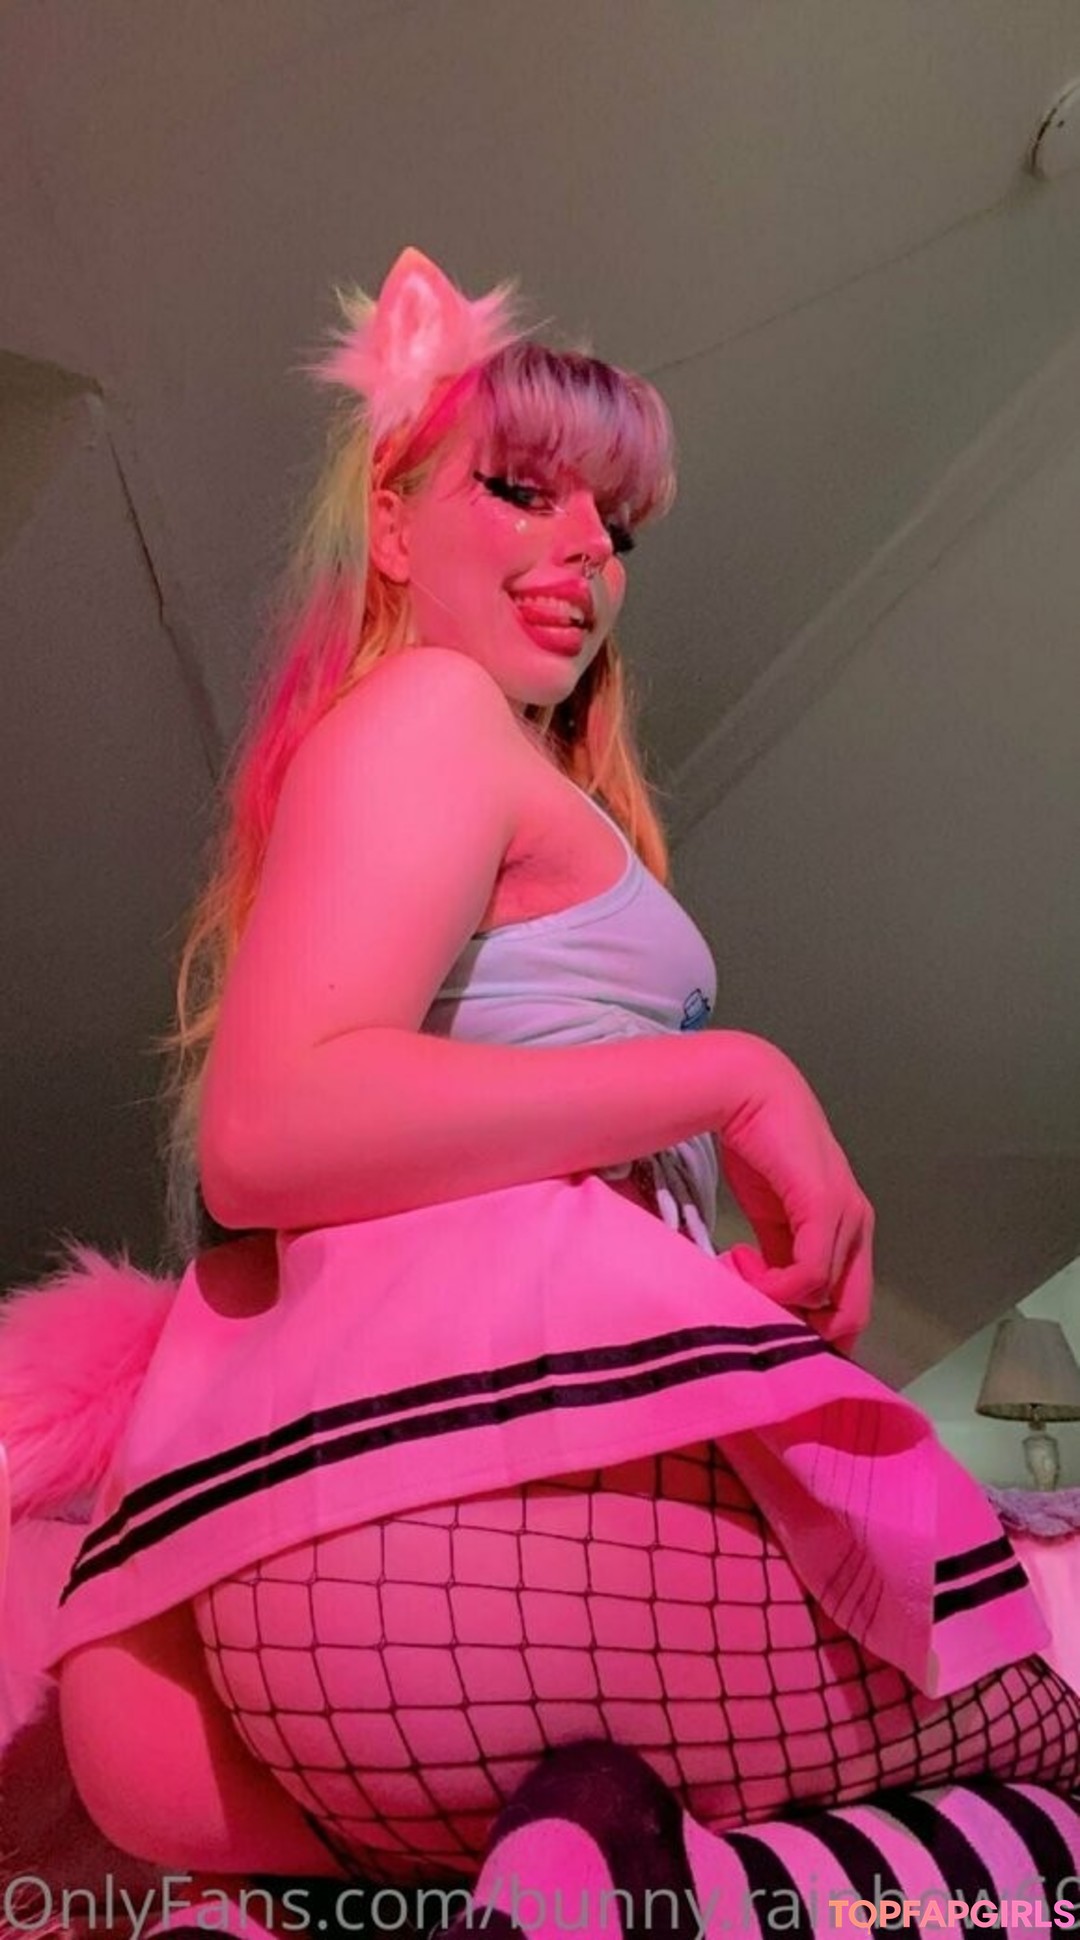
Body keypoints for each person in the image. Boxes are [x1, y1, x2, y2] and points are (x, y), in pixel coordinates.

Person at [7, 249, 1079, 1936]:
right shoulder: (435, 711)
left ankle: (607, 1862)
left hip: (338, 1603)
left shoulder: (443, 761)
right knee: (1059, 1755)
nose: (588, 550)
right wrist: (733, 1074)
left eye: (618, 525)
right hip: (483, 1532)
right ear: (389, 519)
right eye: (521, 490)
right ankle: (653, 1863)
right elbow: (271, 1129)